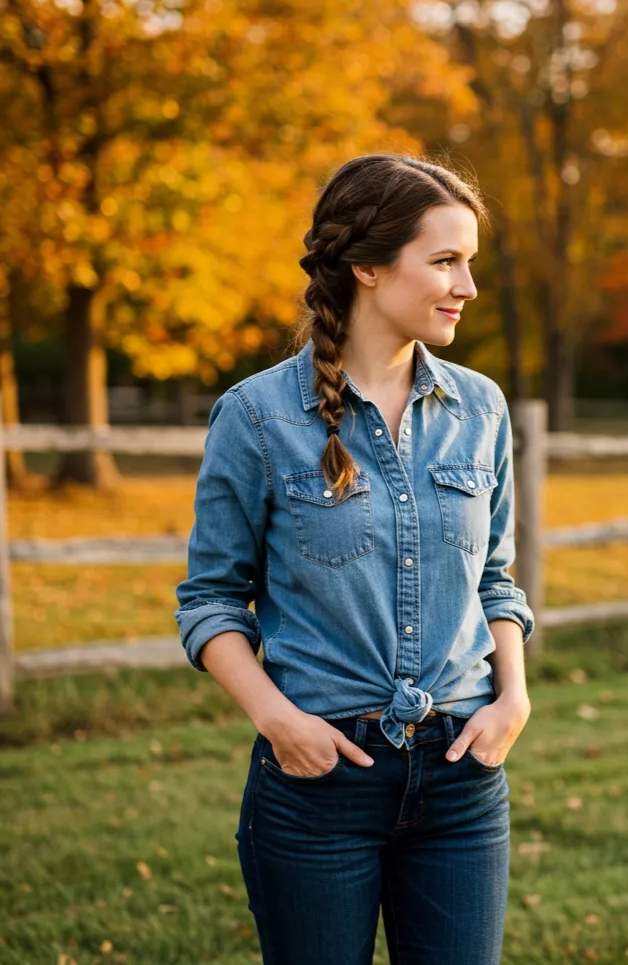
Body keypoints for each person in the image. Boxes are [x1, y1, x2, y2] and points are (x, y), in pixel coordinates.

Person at [174, 153, 535, 965]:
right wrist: (278, 721)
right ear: (367, 265)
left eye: (469, 262)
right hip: (316, 786)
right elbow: (210, 601)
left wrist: (511, 698)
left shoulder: (480, 407)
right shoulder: (259, 416)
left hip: (463, 779)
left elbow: (495, 580)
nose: (467, 286)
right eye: (445, 261)